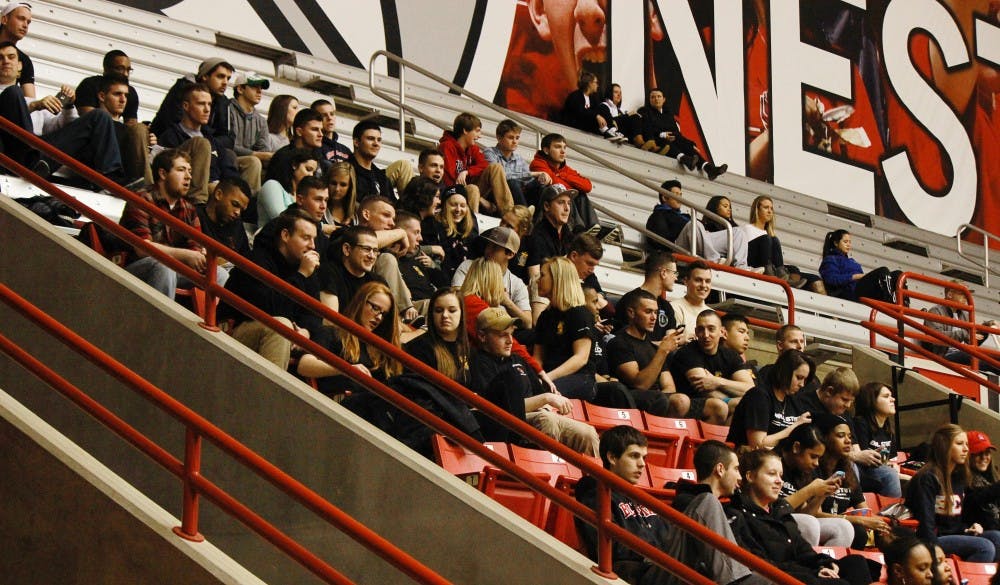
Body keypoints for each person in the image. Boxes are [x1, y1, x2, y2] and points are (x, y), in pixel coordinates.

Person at [576, 427, 758, 585]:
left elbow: (667, 535)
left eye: (644, 457)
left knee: (768, 579)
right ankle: (736, 580)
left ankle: (739, 578)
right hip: (642, 572)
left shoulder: (641, 498)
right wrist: (652, 550)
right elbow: (609, 547)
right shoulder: (595, 490)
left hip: (662, 563)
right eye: (634, 456)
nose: (641, 464)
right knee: (706, 501)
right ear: (612, 457)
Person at [727, 449, 875, 585]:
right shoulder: (738, 514)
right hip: (781, 577)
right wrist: (814, 572)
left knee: (857, 563)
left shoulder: (779, 510)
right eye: (772, 474)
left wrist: (825, 563)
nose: (779, 481)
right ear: (750, 476)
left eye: (781, 475)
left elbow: (804, 551)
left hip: (803, 570)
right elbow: (762, 563)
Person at [469, 307, 598, 455]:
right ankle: (546, 475)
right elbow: (500, 408)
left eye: (511, 334)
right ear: (482, 336)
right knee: (546, 420)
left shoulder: (517, 359)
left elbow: (539, 393)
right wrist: (545, 399)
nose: (510, 341)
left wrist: (545, 400)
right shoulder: (479, 363)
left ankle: (594, 478)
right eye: (502, 335)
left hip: (539, 415)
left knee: (588, 433)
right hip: (511, 422)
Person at [0, 43, 125, 184]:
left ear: (20, 67)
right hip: (12, 156)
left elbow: (61, 127)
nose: (6, 61)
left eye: (11, 57)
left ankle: (111, 178)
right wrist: (34, 105)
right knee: (12, 92)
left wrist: (69, 106)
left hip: (41, 159)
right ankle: (33, 159)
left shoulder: (32, 101)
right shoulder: (29, 101)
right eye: (0, 58)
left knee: (99, 116)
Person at [220, 209, 328, 370]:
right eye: (306, 238)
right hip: (230, 332)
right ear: (285, 235)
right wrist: (301, 275)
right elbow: (270, 308)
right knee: (281, 326)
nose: (312, 246)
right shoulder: (257, 260)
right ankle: (271, 394)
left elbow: (314, 314)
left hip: (277, 338)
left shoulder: (305, 269)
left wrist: (306, 332)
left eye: (314, 239)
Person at [119, 149, 223, 298]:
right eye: (181, 170)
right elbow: (142, 248)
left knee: (219, 274)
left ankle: (204, 321)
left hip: (173, 269)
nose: (188, 177)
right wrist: (186, 255)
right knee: (164, 266)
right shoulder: (141, 200)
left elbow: (195, 246)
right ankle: (161, 321)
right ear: (162, 174)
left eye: (190, 171)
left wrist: (199, 255)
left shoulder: (189, 209)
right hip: (133, 269)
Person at [298, 282, 402, 408]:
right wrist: (346, 369)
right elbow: (304, 365)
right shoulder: (332, 333)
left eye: (384, 314)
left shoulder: (382, 351)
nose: (379, 317)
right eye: (375, 308)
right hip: (340, 403)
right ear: (360, 303)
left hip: (373, 409)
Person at [905, 424, 1000, 562]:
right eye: (960, 444)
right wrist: (934, 549)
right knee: (985, 547)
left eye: (966, 444)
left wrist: (968, 528)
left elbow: (955, 522)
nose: (966, 449)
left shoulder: (958, 478)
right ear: (945, 446)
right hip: (931, 539)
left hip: (954, 534)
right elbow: (925, 524)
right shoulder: (927, 478)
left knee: (997, 538)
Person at [605, 289, 688, 417]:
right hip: (632, 401)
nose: (654, 317)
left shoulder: (654, 347)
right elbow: (640, 384)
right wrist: (663, 351)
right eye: (648, 312)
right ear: (631, 313)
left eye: (655, 312)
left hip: (659, 399)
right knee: (666, 400)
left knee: (691, 402)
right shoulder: (620, 343)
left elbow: (669, 387)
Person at [156, 82, 241, 203]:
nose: (207, 109)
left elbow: (228, 172)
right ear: (186, 106)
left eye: (209, 104)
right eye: (201, 104)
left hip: (217, 192)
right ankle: (198, 204)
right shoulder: (170, 136)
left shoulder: (212, 139)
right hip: (190, 193)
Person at [815, 413, 889, 548]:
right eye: (841, 436)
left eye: (849, 436)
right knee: (859, 531)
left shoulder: (847, 471)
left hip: (845, 527)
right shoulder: (815, 468)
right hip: (822, 528)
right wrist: (859, 520)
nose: (848, 441)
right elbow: (816, 514)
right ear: (825, 438)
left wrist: (882, 524)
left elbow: (864, 510)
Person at [669, 310, 754, 424]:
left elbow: (750, 390)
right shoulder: (688, 352)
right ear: (695, 332)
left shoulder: (730, 355)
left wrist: (718, 382)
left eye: (711, 329)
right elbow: (705, 389)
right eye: (700, 329)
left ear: (722, 332)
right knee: (735, 405)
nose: (706, 335)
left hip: (719, 405)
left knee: (748, 404)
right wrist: (733, 393)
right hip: (690, 405)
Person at [776, 424, 854, 547]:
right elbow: (773, 510)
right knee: (809, 524)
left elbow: (806, 514)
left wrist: (822, 495)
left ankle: (829, 565)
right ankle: (808, 565)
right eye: (813, 456)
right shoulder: (773, 462)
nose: (816, 463)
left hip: (792, 522)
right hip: (771, 522)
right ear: (796, 447)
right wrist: (810, 490)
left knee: (844, 528)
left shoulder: (802, 470)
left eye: (819, 458)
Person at [533, 257, 597, 400]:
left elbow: (580, 358)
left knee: (542, 392)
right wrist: (537, 376)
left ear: (557, 278)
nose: (537, 280)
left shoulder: (580, 313)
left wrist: (547, 378)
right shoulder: (545, 316)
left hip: (580, 378)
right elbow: (538, 357)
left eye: (542, 275)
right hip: (551, 375)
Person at [727, 349, 814, 449]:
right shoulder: (759, 396)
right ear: (784, 372)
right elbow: (758, 445)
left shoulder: (793, 400)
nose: (802, 384)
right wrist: (795, 426)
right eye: (799, 377)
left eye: (805, 380)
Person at [634, 88, 727, 180]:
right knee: (668, 140)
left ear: (664, 99)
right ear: (649, 100)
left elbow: (677, 133)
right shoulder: (644, 111)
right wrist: (662, 134)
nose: (656, 99)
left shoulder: (668, 114)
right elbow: (647, 129)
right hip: (657, 140)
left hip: (672, 139)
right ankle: (684, 159)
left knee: (684, 143)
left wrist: (690, 144)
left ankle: (709, 169)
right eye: (653, 97)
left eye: (659, 96)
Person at [451, 226, 532, 327]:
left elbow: (528, 323)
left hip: (501, 332)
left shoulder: (517, 284)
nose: (488, 251)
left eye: (495, 248)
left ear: (510, 254)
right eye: (488, 245)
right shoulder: (469, 266)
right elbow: (455, 298)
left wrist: (506, 302)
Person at [438, 112, 513, 215]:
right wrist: (481, 200)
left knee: (496, 167)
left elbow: (484, 165)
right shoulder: (446, 147)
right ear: (465, 130)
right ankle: (472, 225)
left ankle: (509, 214)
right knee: (472, 189)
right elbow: (448, 181)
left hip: (471, 189)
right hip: (452, 192)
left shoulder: (473, 148)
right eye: (477, 131)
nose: (480, 136)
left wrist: (467, 172)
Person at [529, 133, 598, 230]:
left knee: (581, 194)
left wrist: (563, 175)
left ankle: (593, 227)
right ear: (546, 150)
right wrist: (570, 183)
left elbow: (587, 186)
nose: (563, 152)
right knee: (567, 193)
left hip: (558, 204)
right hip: (543, 206)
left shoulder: (565, 169)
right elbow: (557, 185)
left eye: (564, 148)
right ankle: (578, 228)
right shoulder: (537, 164)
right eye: (558, 147)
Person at [483, 119, 550, 208]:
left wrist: (541, 178)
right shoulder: (489, 152)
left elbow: (528, 181)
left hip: (516, 195)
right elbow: (501, 177)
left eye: (517, 138)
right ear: (499, 138)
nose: (515, 141)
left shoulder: (519, 158)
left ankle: (536, 219)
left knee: (540, 185)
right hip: (496, 194)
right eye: (511, 137)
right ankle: (525, 215)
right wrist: (534, 174)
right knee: (512, 182)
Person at [614, 251, 679, 342]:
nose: (676, 278)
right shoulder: (629, 300)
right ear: (663, 273)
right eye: (674, 273)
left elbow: (670, 342)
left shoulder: (667, 307)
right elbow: (625, 341)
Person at [819, 229, 900, 302]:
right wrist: (855, 276)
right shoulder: (830, 259)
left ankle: (904, 304)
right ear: (836, 243)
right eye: (845, 242)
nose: (848, 245)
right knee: (883, 271)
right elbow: (831, 279)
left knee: (898, 274)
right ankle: (889, 300)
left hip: (860, 289)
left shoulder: (852, 261)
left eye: (850, 242)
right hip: (850, 293)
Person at [853, 381, 903, 497]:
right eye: (886, 396)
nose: (893, 399)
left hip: (880, 472)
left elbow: (889, 461)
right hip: (863, 472)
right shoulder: (860, 423)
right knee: (890, 475)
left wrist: (892, 465)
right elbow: (863, 459)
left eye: (891, 396)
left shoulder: (888, 430)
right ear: (872, 401)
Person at [319, 226, 384, 313]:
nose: (372, 256)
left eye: (375, 251)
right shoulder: (328, 273)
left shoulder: (378, 282)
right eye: (366, 249)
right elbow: (330, 320)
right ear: (347, 249)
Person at [264, 108, 324, 197]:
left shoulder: (320, 158)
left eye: (321, 130)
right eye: (315, 129)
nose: (321, 134)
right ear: (299, 131)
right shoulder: (283, 158)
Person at [195, 177, 252, 270]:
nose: (237, 212)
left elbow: (246, 261)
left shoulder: (237, 224)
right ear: (218, 194)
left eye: (241, 209)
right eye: (235, 204)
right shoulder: (195, 216)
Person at [423, 188, 477, 282]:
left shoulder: (470, 234)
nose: (458, 209)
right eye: (453, 205)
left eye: (463, 206)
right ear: (444, 207)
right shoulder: (432, 228)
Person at [257, 148, 319, 227]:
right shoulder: (272, 185)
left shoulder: (302, 194)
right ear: (294, 165)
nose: (311, 175)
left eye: (313, 172)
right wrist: (321, 227)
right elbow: (281, 219)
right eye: (308, 169)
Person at [560, 71, 627, 143]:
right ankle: (607, 132)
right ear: (589, 83)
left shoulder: (593, 99)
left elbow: (598, 111)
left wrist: (611, 120)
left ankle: (611, 131)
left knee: (602, 109)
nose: (597, 85)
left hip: (588, 127)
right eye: (596, 82)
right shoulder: (576, 96)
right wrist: (597, 116)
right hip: (574, 126)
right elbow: (580, 112)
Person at [228, 71, 272, 165]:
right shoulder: (226, 109)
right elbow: (226, 144)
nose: (259, 91)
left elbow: (264, 150)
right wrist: (254, 154)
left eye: (261, 88)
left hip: (250, 164)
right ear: (240, 89)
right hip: (226, 160)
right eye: (254, 86)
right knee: (253, 162)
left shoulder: (261, 121)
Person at [923, 280, 973, 356]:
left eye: (967, 294)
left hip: (962, 354)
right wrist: (964, 333)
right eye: (962, 294)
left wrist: (985, 330)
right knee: (973, 356)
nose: (966, 297)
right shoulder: (936, 311)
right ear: (949, 294)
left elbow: (972, 341)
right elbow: (936, 336)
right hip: (944, 356)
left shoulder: (964, 315)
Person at [963, 430, 1000, 532]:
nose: (984, 457)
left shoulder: (993, 477)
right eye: (979, 453)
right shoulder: (962, 480)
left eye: (987, 453)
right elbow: (976, 499)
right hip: (981, 532)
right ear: (968, 455)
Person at [350, 119, 395, 201]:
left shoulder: (382, 177)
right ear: (356, 142)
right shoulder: (346, 171)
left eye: (379, 140)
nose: (376, 143)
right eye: (370, 139)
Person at [669, 260, 713, 337]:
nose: (703, 285)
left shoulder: (713, 314)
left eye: (707, 281)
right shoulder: (673, 308)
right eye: (698, 280)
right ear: (686, 281)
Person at [0, 2, 34, 97]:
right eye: (21, 19)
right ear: (4, 19)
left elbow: (30, 99)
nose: (25, 25)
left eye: (28, 22)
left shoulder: (24, 60)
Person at [645, 179, 690, 249]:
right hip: (674, 253)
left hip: (691, 249)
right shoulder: (658, 215)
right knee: (694, 225)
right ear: (665, 198)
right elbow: (661, 242)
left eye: (680, 195)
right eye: (676, 195)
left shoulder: (684, 217)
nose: (680, 198)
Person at [311, 99, 351, 164]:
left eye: (332, 114)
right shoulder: (312, 148)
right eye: (324, 115)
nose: (329, 118)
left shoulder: (345, 150)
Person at [323, 161, 357, 235]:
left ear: (350, 187)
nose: (337, 189)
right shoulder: (318, 207)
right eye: (333, 183)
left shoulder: (357, 212)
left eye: (343, 185)